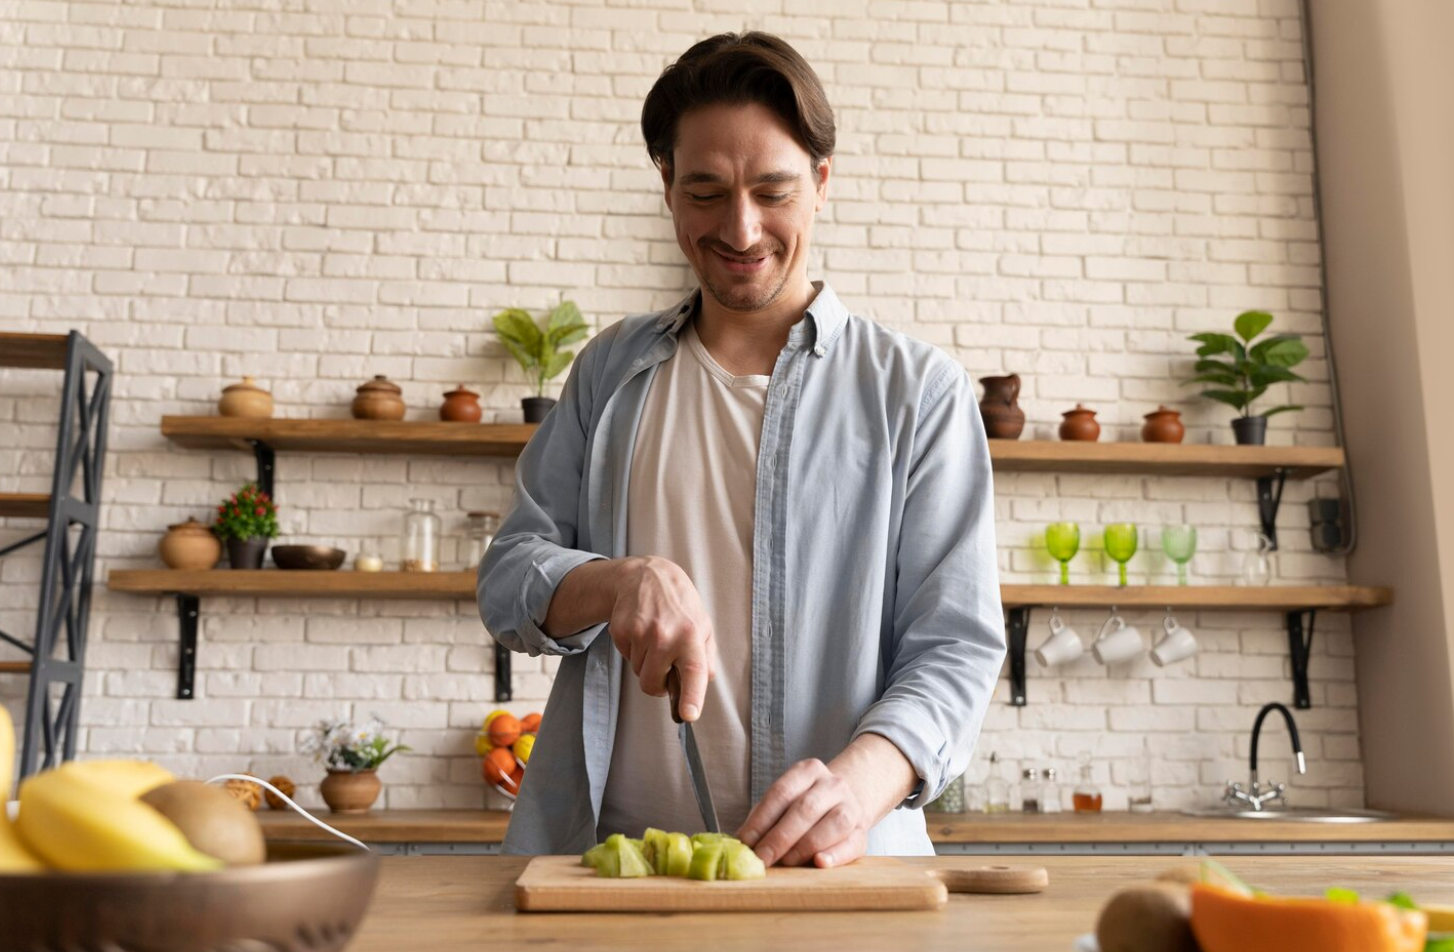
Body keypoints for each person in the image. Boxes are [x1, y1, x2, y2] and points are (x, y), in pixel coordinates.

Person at [479, 31, 1004, 867]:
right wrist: (615, 579)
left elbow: (957, 645)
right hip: (616, 873)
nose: (741, 228)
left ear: (822, 185)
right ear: (667, 188)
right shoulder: (610, 371)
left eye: (773, 189)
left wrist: (860, 785)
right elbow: (508, 580)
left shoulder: (918, 391)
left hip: (843, 870)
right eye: (706, 192)